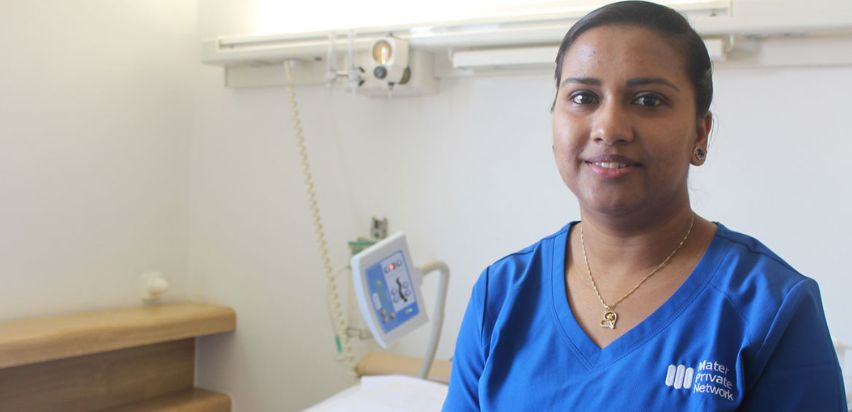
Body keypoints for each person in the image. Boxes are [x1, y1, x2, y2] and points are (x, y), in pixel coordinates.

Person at [442, 1, 847, 411]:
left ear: (700, 134)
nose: (610, 128)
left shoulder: (772, 308)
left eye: (649, 100)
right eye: (583, 97)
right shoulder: (501, 295)